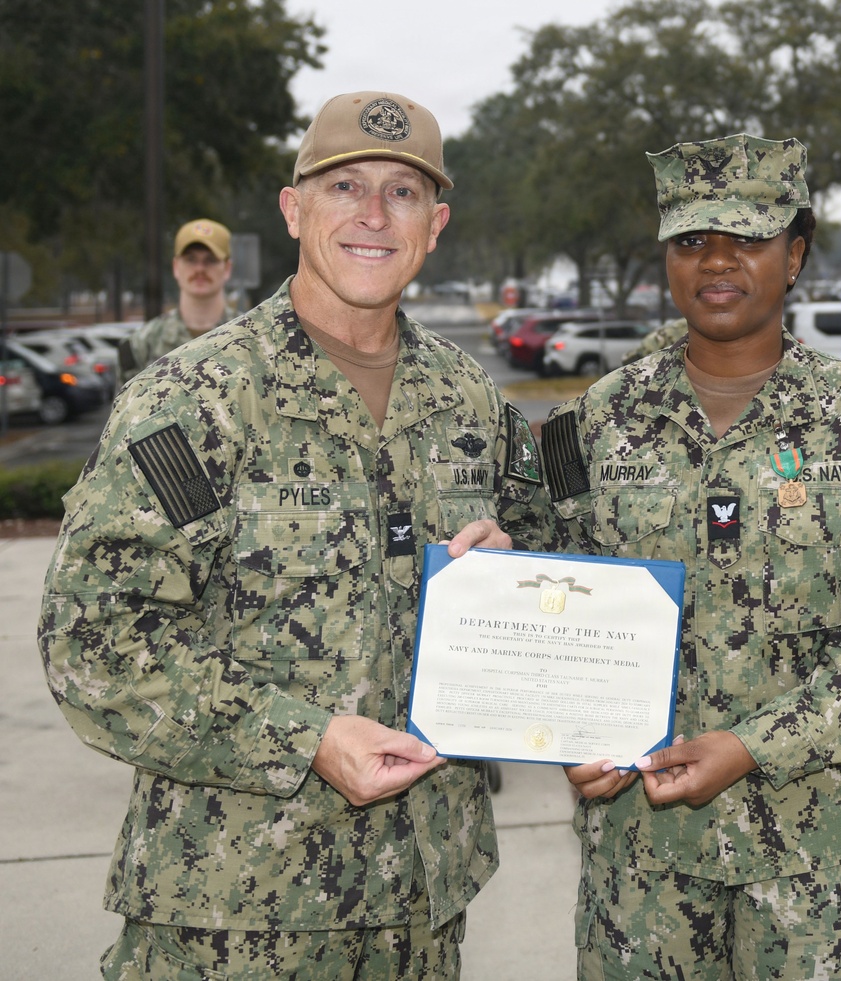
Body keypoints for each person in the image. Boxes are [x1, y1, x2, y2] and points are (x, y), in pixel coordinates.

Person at [38, 90, 552, 979]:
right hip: (234, 914)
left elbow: (541, 553)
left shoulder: (470, 400)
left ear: (435, 224)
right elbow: (92, 645)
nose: (371, 214)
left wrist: (519, 568)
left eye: (401, 192)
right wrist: (303, 736)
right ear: (293, 208)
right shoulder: (190, 400)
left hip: (425, 906)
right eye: (344, 184)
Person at [539, 134, 841, 980]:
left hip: (818, 867)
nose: (718, 261)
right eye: (692, 240)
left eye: (749, 238)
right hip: (639, 865)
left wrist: (753, 743)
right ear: (666, 258)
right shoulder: (592, 424)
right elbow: (554, 602)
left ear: (795, 255)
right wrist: (566, 732)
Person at [117, 218, 236, 383]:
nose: (199, 269)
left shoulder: (250, 337)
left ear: (227, 268)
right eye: (191, 259)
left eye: (211, 260)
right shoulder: (141, 345)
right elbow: (123, 407)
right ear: (175, 267)